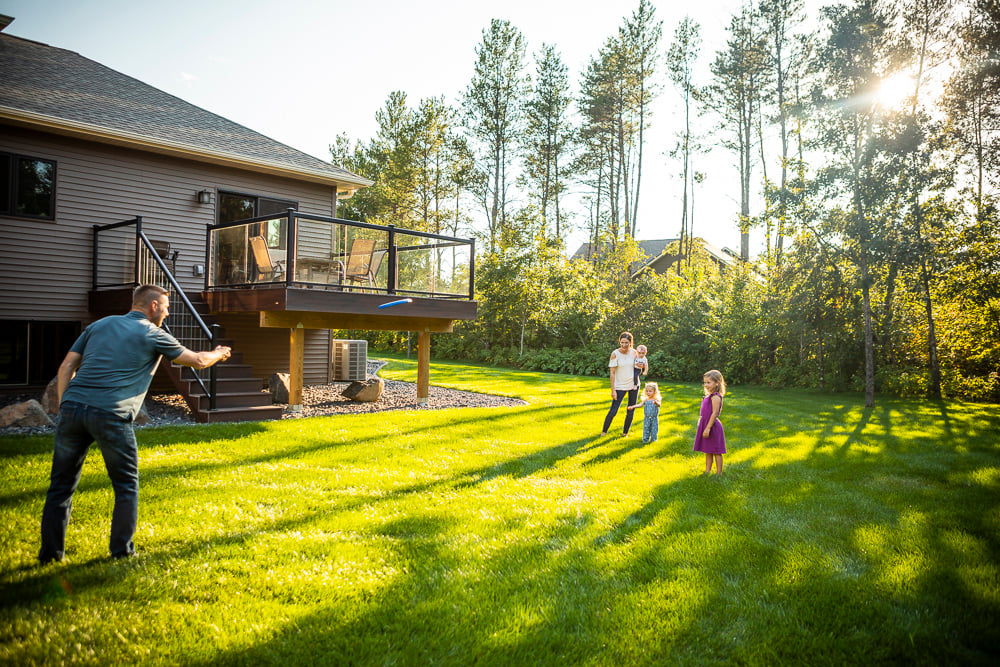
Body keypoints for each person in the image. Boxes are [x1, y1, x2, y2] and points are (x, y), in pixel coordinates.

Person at [39, 284, 232, 564]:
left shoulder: (99, 325)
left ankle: (50, 555)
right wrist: (219, 353)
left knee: (60, 486)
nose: (167, 312)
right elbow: (198, 361)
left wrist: (65, 404)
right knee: (126, 486)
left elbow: (66, 367)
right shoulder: (152, 333)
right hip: (111, 415)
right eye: (166, 306)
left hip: (72, 411)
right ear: (153, 306)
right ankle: (120, 552)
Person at [601, 332, 639, 436]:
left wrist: (642, 366)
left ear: (631, 342)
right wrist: (613, 390)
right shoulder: (615, 354)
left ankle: (625, 433)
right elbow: (612, 373)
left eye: (626, 342)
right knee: (613, 410)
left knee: (630, 410)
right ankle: (604, 432)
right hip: (620, 386)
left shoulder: (635, 353)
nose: (624, 345)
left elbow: (640, 366)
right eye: (622, 342)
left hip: (633, 386)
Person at [693, 369, 727, 475]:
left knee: (716, 450)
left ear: (717, 383)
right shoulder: (708, 396)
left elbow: (715, 413)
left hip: (713, 426)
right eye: (705, 382)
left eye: (709, 382)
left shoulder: (715, 397)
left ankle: (719, 473)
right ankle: (707, 471)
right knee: (708, 450)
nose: (706, 385)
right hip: (705, 424)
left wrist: (708, 428)